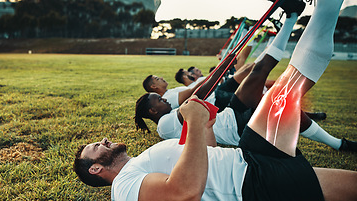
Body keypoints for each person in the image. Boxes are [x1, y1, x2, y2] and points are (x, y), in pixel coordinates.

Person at [74, 0, 357, 201]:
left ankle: (326, 5)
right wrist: (196, 124)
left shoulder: (143, 161)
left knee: (287, 86)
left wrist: (206, 126)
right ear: (96, 169)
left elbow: (204, 157)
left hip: (247, 154)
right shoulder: (122, 191)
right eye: (95, 148)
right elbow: (186, 193)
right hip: (255, 188)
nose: (103, 141)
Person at [136, 12, 344, 150]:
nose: (163, 100)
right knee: (285, 109)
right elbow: (195, 99)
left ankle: (291, 17)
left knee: (257, 71)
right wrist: (219, 71)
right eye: (158, 100)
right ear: (152, 112)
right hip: (239, 129)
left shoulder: (168, 114)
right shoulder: (163, 126)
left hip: (232, 113)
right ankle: (338, 144)